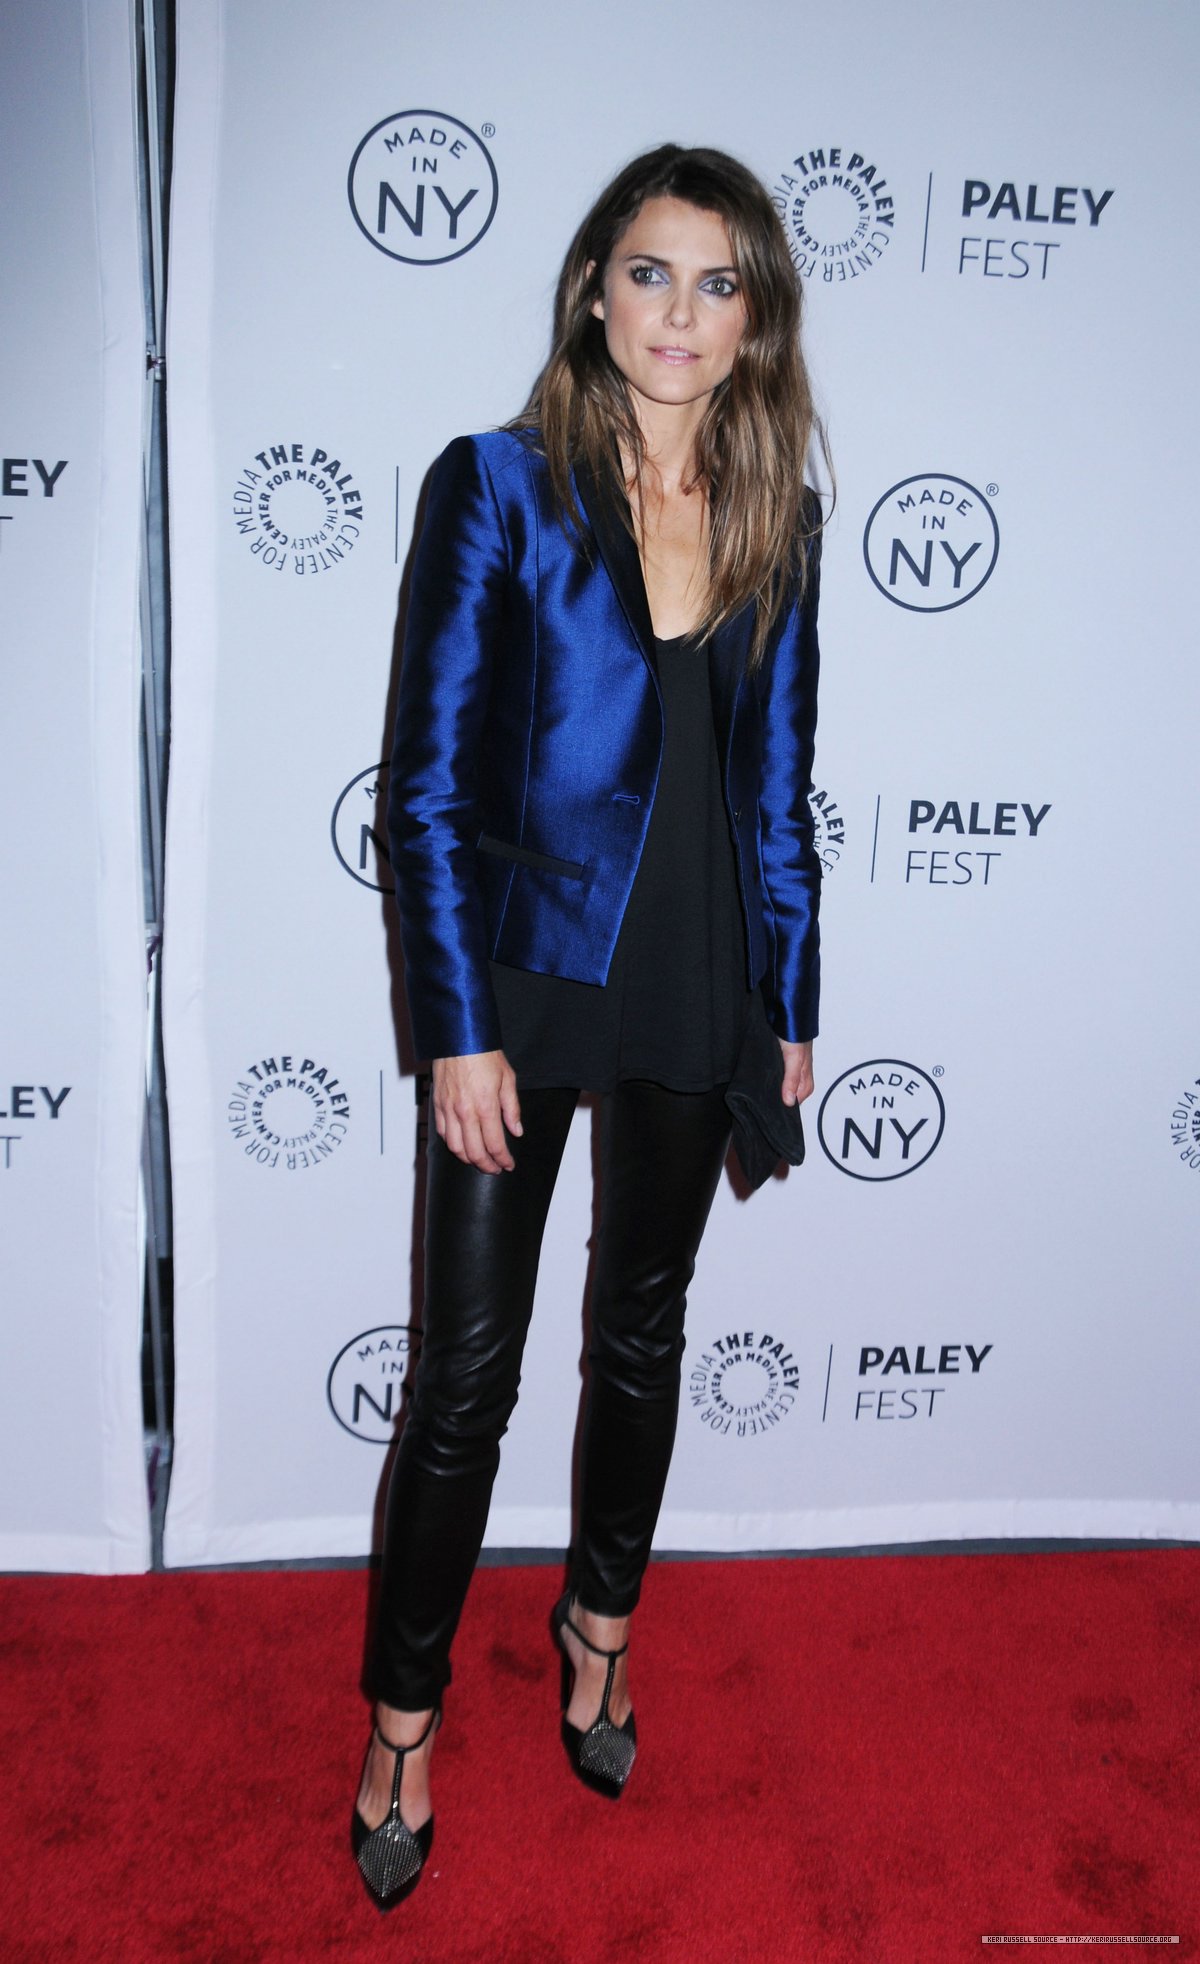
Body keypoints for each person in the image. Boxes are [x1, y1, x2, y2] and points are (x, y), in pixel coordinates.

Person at [351, 142, 827, 1910]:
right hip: (529, 984)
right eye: (650, 272)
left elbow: (779, 784)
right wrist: (458, 1026)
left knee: (643, 1334)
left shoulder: (779, 507)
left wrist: (786, 997)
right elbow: (428, 784)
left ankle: (599, 1627)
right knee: (466, 1377)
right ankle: (401, 1715)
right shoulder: (498, 485)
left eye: (718, 281)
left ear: (754, 311)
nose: (680, 312)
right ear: (593, 288)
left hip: (699, 979)